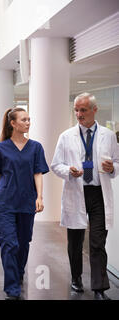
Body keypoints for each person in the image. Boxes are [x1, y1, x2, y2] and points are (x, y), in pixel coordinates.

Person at [51, 92, 119, 300]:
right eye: (76, 110)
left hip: (98, 194)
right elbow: (55, 165)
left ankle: (99, 288)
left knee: (98, 242)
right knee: (75, 241)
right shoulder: (66, 136)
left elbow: (117, 162)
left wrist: (112, 168)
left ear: (94, 110)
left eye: (83, 110)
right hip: (76, 191)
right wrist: (68, 171)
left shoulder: (108, 135)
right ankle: (76, 278)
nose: (79, 114)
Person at [0, 107, 49, 300]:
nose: (28, 123)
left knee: (23, 243)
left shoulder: (36, 147)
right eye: (24, 120)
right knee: (9, 244)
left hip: (26, 201)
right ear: (12, 123)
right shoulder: (1, 148)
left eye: (29, 119)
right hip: (4, 202)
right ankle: (12, 289)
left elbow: (37, 173)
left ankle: (18, 272)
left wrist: (40, 197)